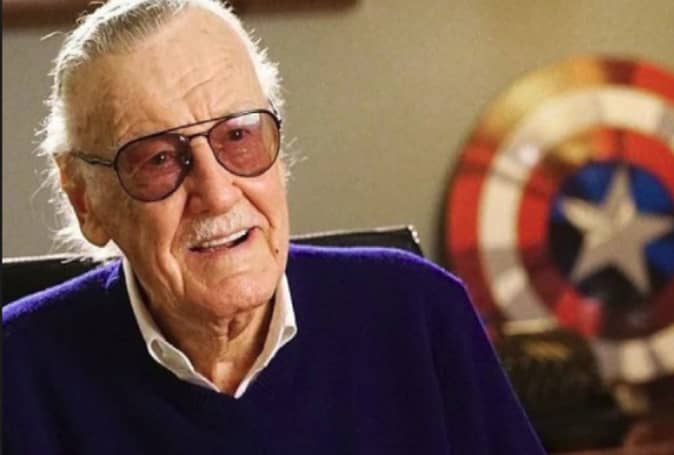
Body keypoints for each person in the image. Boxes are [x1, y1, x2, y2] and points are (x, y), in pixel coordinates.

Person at [2, 1, 544, 453]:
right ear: (85, 202)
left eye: (238, 136)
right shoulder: (15, 377)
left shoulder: (420, 314)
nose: (218, 193)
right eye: (159, 160)